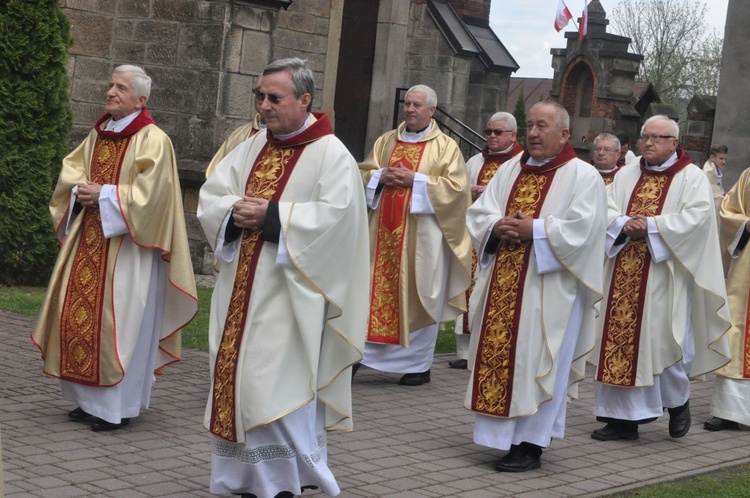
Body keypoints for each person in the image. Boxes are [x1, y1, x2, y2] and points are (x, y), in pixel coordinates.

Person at [198, 57, 370, 498]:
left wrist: (272, 216)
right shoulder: (253, 146)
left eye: (275, 97)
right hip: (241, 290)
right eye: (260, 96)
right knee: (238, 383)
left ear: (305, 99)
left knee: (271, 387)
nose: (264, 106)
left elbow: (339, 223)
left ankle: (285, 482)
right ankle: (240, 480)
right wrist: (232, 213)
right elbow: (214, 194)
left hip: (293, 299)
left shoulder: (331, 155)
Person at [31, 65, 198, 432]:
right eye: (110, 85)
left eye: (120, 88)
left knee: (120, 326)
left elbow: (154, 198)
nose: (110, 92)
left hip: (130, 251)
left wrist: (104, 194)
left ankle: (114, 408)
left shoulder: (154, 139)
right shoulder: (99, 132)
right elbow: (72, 171)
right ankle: (86, 400)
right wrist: (79, 190)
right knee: (76, 319)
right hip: (89, 238)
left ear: (141, 99)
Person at [465, 101, 607, 472]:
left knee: (540, 360)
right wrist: (495, 226)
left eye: (542, 126)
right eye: (530, 125)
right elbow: (481, 211)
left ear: (564, 134)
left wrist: (538, 230)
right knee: (506, 358)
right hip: (504, 282)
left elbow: (586, 230)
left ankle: (530, 443)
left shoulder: (583, 175)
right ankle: (498, 437)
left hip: (550, 291)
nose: (532, 133)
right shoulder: (511, 168)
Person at [591, 115, 730, 442]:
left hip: (664, 273)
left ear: (673, 142)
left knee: (663, 340)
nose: (649, 143)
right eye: (645, 137)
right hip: (622, 266)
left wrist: (650, 227)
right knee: (619, 342)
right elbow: (605, 207)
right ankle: (621, 420)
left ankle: (677, 401)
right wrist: (623, 223)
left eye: (657, 137)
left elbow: (697, 220)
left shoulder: (691, 177)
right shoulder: (627, 173)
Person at [359, 84, 472, 386]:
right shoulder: (386, 141)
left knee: (422, 293)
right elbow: (363, 172)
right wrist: (378, 177)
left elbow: (458, 191)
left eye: (417, 105)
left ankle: (417, 365)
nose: (409, 109)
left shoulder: (446, 146)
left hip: (423, 239)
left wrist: (416, 181)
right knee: (371, 292)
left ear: (432, 111)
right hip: (380, 237)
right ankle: (362, 356)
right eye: (407, 103)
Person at [450, 112, 523, 370]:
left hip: (500, 241)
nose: (491, 136)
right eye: (489, 131)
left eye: (498, 132)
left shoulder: (519, 163)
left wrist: (489, 194)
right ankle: (463, 353)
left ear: (513, 135)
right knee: (467, 290)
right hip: (473, 237)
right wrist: (468, 193)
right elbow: (457, 190)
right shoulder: (475, 161)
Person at [704, 166, 750, 431]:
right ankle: (729, 411)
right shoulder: (748, 176)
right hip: (746, 272)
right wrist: (746, 224)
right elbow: (727, 211)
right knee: (737, 331)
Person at [205, 76, 266, 179]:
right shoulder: (238, 136)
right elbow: (214, 176)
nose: (266, 102)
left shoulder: (297, 139)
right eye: (260, 95)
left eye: (274, 97)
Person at [702, 144, 729, 224]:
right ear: (712, 157)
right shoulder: (706, 174)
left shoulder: (716, 172)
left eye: (725, 159)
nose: (724, 162)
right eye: (721, 158)